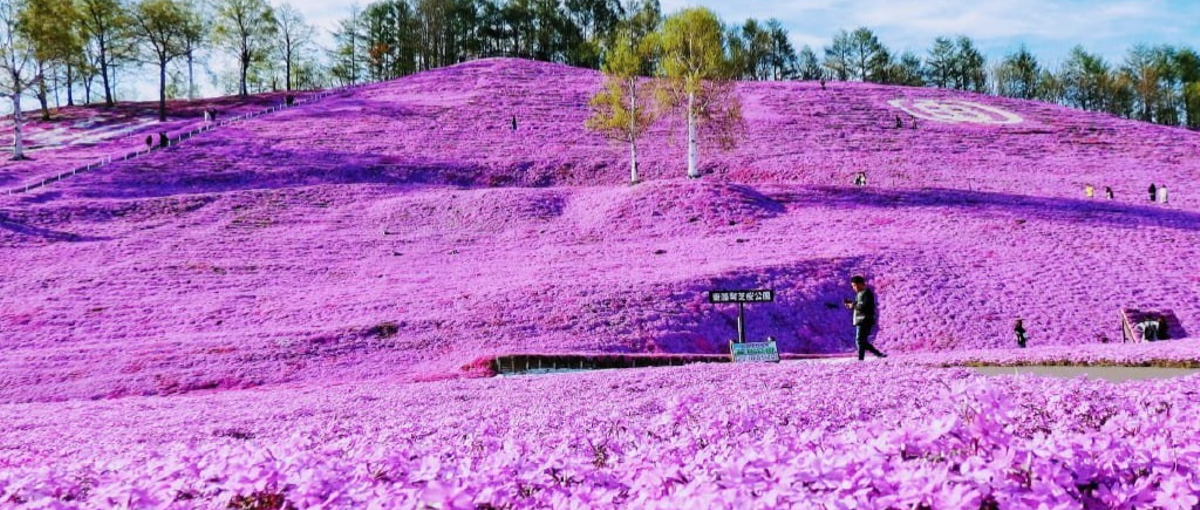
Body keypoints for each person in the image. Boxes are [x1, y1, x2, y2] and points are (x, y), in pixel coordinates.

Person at [844, 275, 887, 360]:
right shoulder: (860, 294)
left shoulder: (866, 293)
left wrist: (853, 305)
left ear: (860, 284)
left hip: (865, 319)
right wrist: (851, 305)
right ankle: (877, 354)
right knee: (862, 341)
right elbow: (858, 305)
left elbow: (863, 306)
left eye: (854, 285)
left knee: (860, 340)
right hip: (861, 319)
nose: (854, 288)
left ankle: (862, 358)